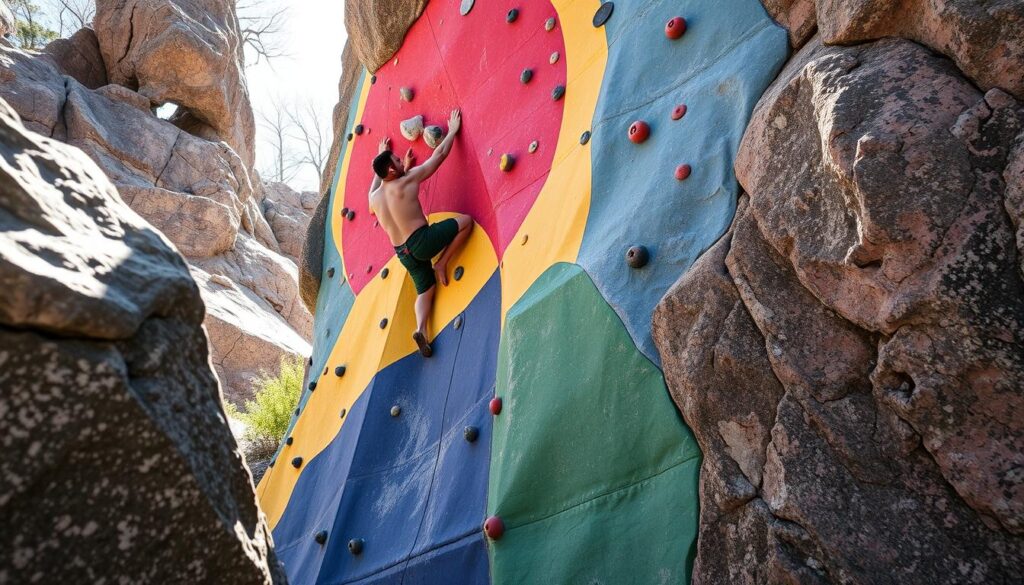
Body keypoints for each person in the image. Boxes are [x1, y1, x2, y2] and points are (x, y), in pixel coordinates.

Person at [368, 109, 472, 357]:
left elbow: (378, 179)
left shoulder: (374, 198)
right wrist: (453, 131)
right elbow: (439, 155)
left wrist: (381, 159)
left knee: (425, 290)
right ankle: (442, 263)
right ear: (392, 172)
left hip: (402, 253)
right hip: (421, 241)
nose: (400, 161)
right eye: (396, 161)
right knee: (465, 222)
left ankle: (421, 329)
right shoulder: (406, 180)